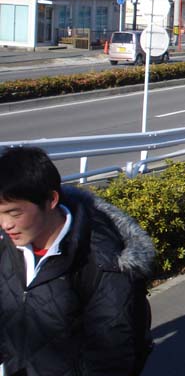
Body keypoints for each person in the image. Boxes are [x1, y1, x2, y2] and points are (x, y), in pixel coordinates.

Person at [0, 146, 155, 376]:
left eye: (14, 213)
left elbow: (112, 357)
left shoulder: (102, 262)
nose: (5, 224)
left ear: (51, 200)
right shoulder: (8, 247)